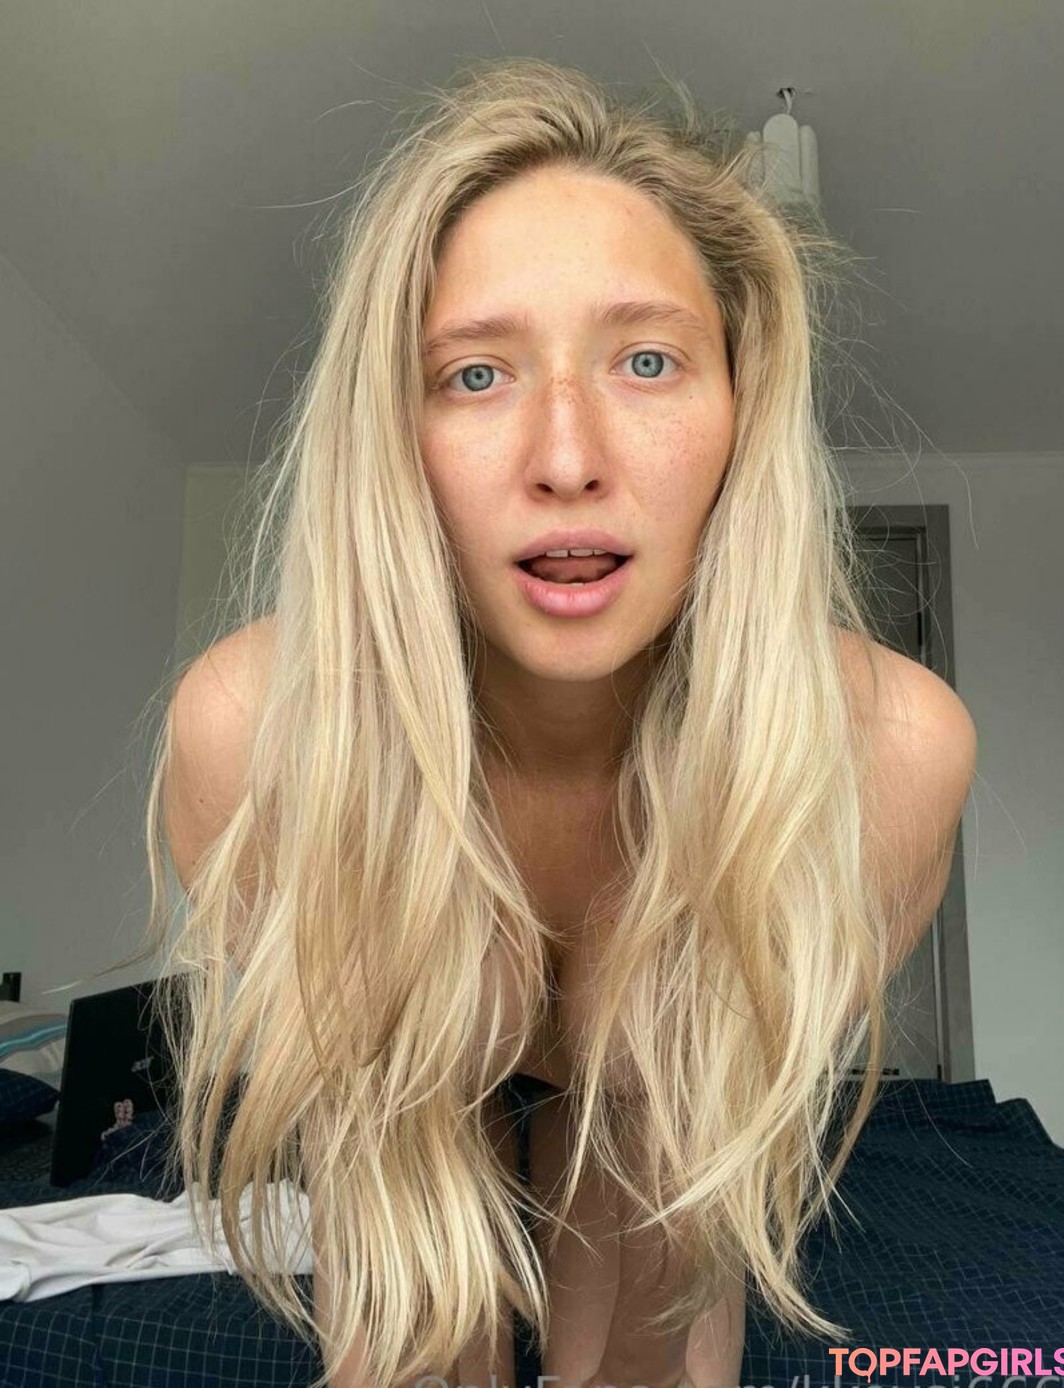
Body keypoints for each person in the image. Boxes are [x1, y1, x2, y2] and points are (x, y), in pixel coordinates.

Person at [137, 57, 977, 1388]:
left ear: (742, 410)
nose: (568, 458)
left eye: (647, 360)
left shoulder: (889, 752)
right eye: (476, 374)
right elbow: (372, 1156)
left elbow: (696, 1184)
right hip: (400, 1102)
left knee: (654, 1178)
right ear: (394, 433)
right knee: (413, 1293)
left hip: (667, 1113)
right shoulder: (254, 736)